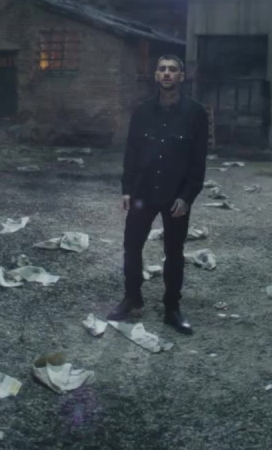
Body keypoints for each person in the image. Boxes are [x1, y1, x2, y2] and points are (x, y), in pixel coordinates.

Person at [108, 54, 209, 334]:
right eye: (162, 69)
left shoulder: (195, 113)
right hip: (143, 191)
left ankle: (172, 308)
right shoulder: (142, 112)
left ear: (181, 76)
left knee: (174, 252)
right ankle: (132, 299)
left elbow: (198, 161)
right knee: (132, 247)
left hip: (176, 195)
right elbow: (131, 153)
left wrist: (187, 197)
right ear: (155, 75)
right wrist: (127, 189)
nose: (167, 73)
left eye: (172, 70)